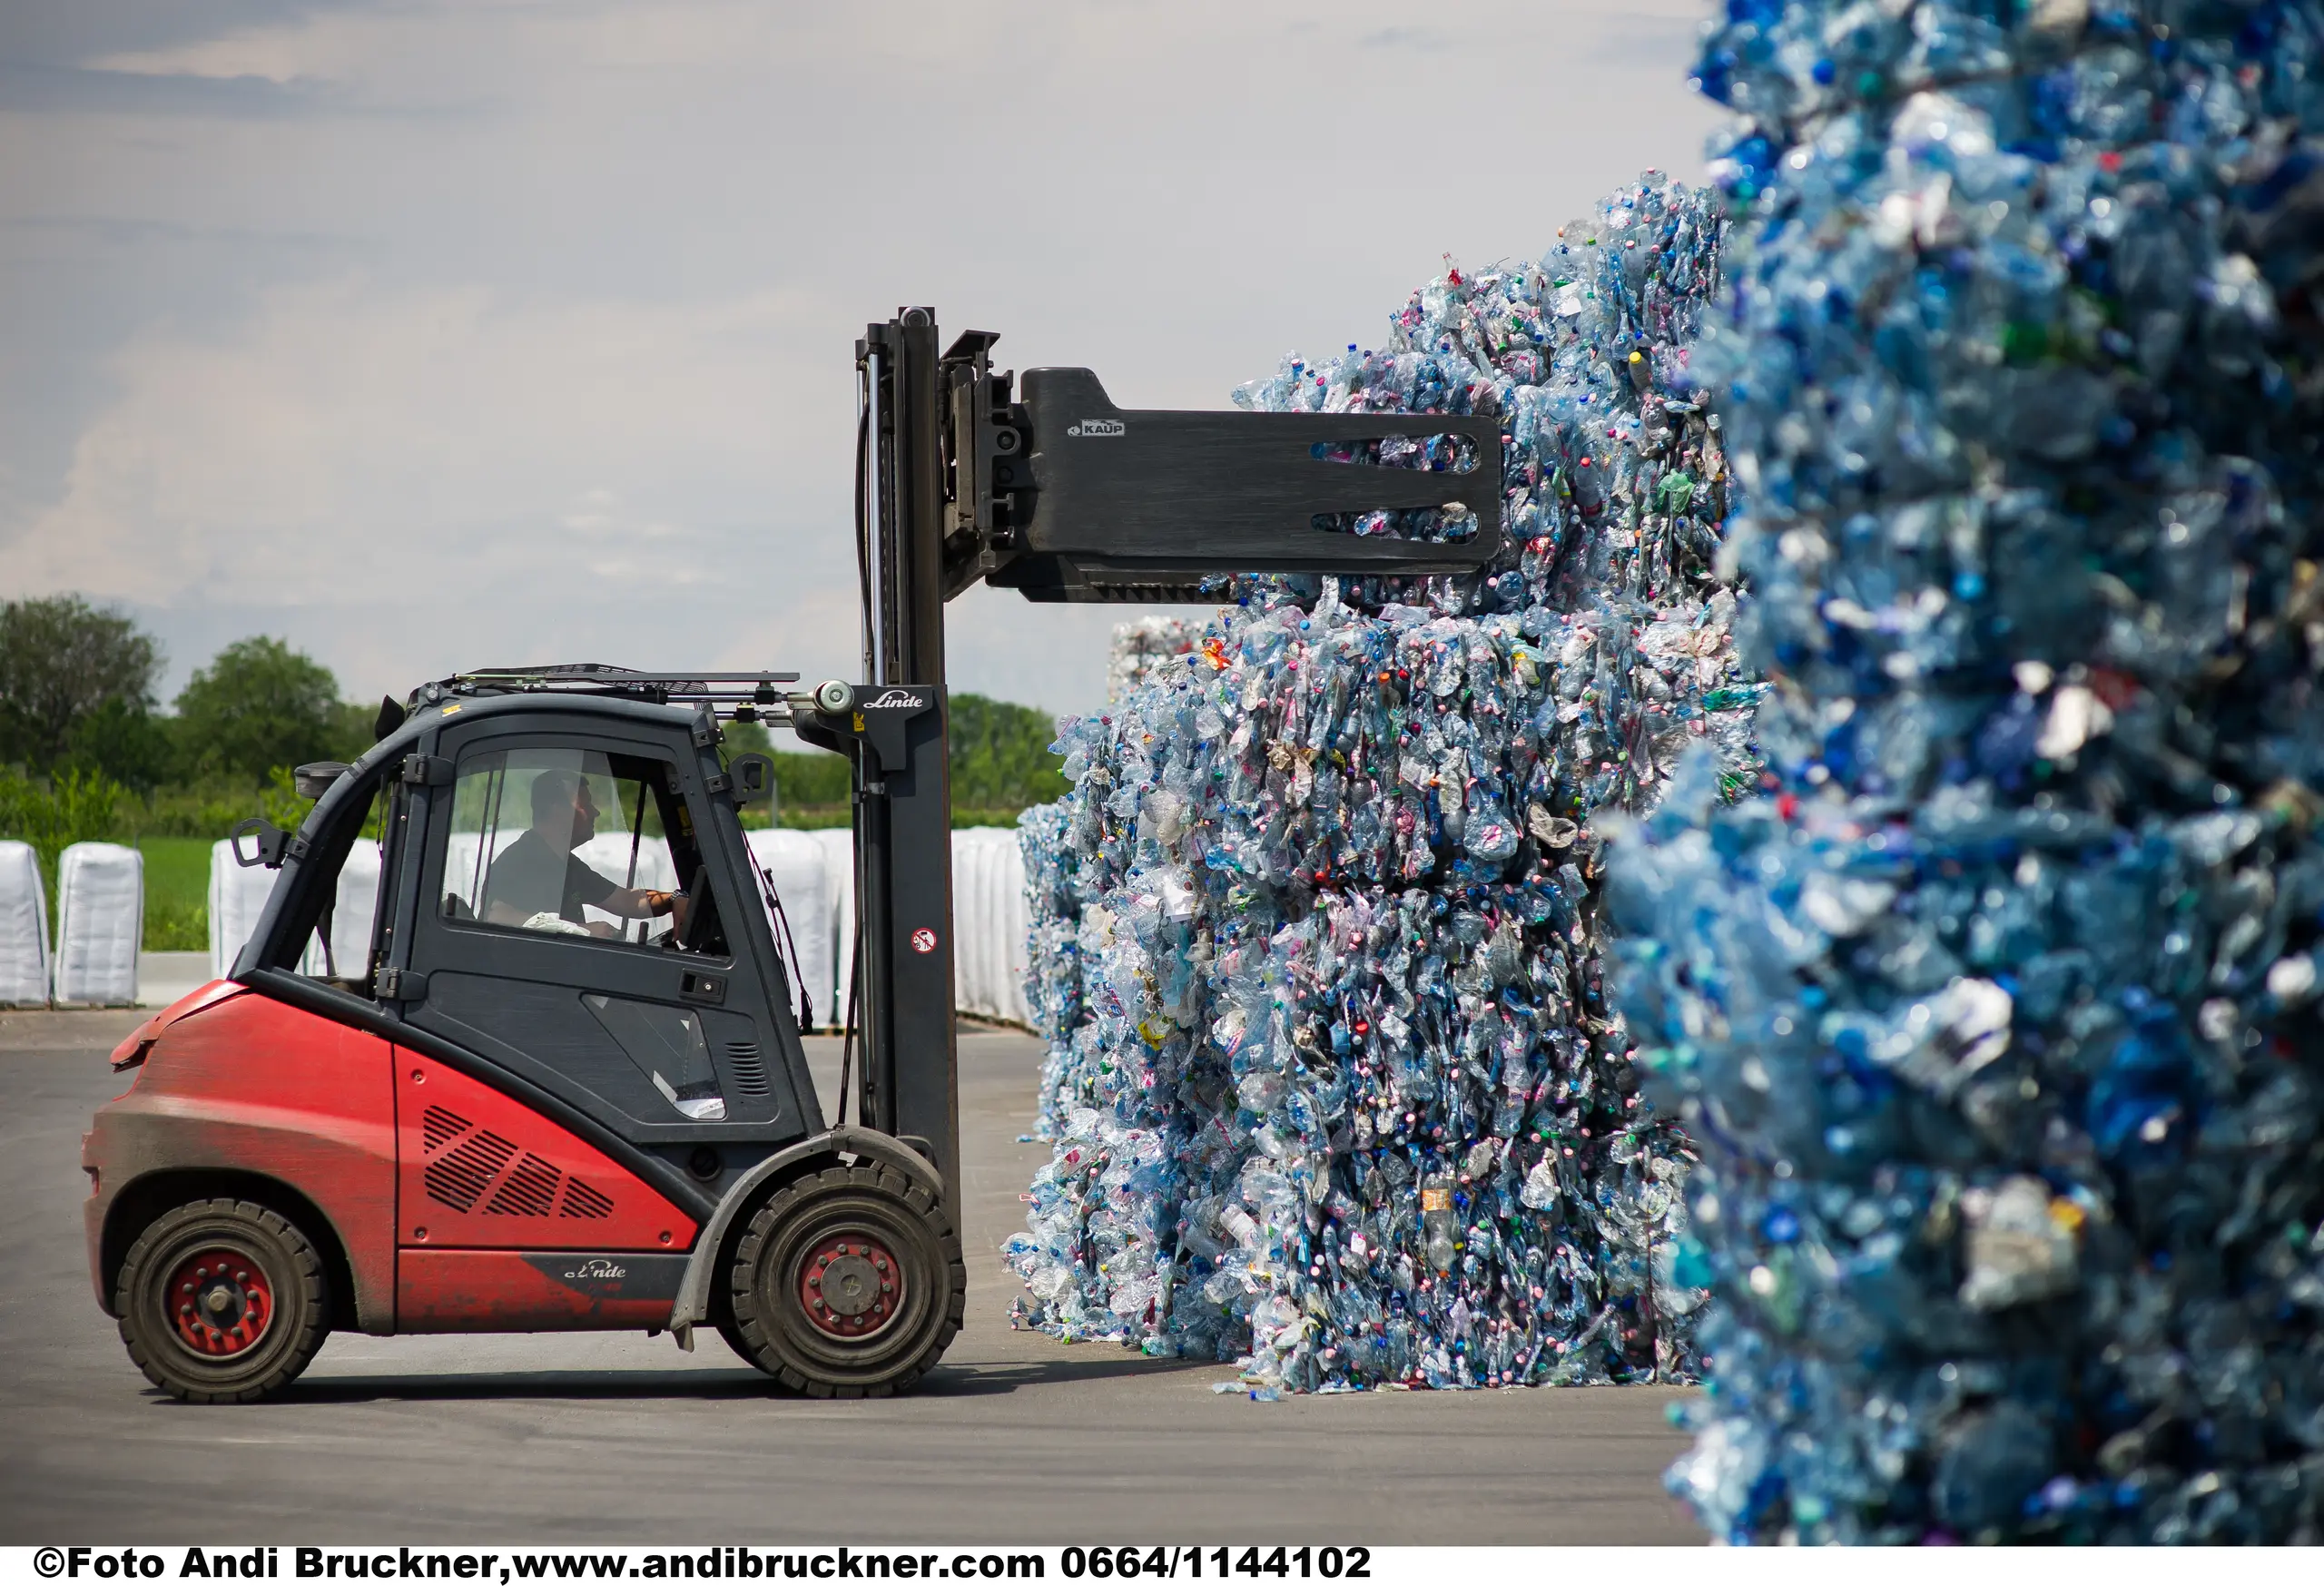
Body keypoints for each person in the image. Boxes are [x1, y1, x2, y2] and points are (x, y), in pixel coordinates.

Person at [479, 769, 686, 940]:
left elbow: (627, 900)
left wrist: (675, 899)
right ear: (557, 810)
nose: (596, 812)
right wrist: (579, 929)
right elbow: (496, 916)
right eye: (585, 804)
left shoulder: (566, 864)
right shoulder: (519, 859)